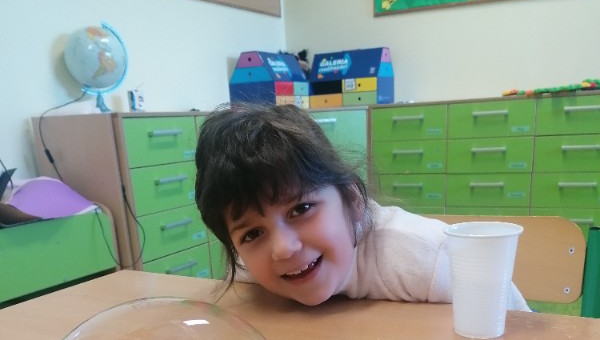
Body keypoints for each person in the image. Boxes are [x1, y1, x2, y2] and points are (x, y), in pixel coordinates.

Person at [194, 102, 529, 311]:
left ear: (353, 201)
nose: (283, 248)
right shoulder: (251, 272)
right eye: (253, 233)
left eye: (301, 209)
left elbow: (514, 333)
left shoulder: (432, 260)